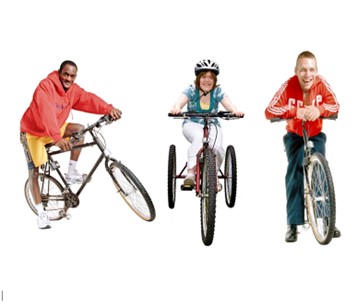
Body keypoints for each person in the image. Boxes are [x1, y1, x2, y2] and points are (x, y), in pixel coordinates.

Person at [20, 60, 122, 229]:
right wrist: (56, 138)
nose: (68, 78)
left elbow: (89, 99)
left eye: (72, 76)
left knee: (80, 131)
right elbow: (46, 112)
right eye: (65, 74)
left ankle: (71, 173)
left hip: (54, 128)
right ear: (59, 73)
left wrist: (108, 109)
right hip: (33, 132)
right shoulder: (45, 87)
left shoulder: (72, 90)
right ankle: (41, 213)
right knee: (35, 172)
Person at [265, 51, 341, 242]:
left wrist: (319, 109)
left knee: (320, 173)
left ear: (316, 71)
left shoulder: (321, 84)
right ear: (296, 71)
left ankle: (326, 219)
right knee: (295, 173)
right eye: (303, 70)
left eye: (311, 70)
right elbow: (269, 110)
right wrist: (295, 111)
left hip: (315, 134)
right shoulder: (288, 85)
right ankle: (293, 223)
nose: (308, 74)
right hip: (295, 135)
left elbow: (336, 106)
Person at [170, 59, 244, 188]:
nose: (207, 80)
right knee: (199, 138)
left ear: (214, 80)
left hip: (212, 123)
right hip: (192, 123)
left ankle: (213, 177)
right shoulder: (191, 90)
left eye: (210, 77)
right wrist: (177, 108)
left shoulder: (217, 91)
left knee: (217, 147)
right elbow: (180, 101)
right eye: (204, 77)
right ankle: (191, 172)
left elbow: (228, 103)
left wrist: (234, 111)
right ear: (198, 78)